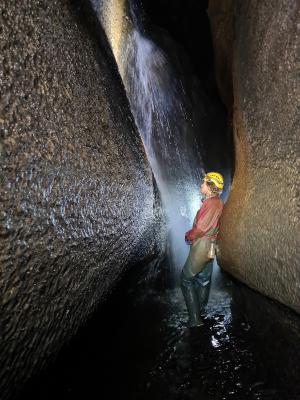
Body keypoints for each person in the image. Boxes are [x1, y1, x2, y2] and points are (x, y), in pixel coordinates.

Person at [181, 172, 224, 327]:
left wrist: (188, 235)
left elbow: (200, 228)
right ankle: (201, 311)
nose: (201, 185)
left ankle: (195, 319)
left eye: (203, 182)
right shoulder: (215, 202)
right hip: (211, 245)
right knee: (204, 280)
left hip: (202, 245)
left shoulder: (211, 204)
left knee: (185, 280)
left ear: (210, 186)